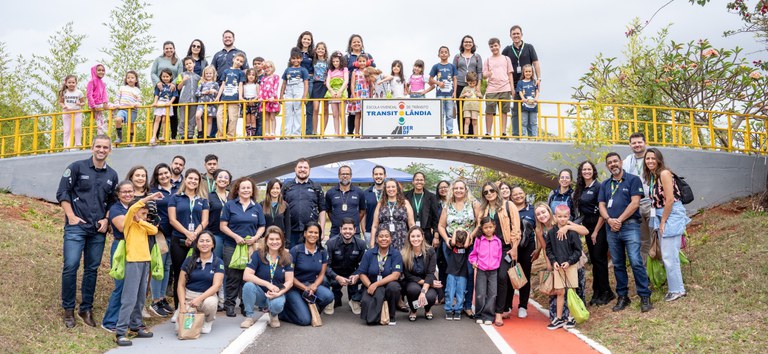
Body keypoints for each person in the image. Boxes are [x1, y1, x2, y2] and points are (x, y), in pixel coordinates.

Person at [57, 135, 118, 328]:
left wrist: (106, 219)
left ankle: (86, 308)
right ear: (92, 147)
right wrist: (71, 216)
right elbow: (62, 193)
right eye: (98, 146)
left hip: (97, 230)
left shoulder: (112, 175)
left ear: (110, 150)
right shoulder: (76, 167)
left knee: (91, 269)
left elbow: (112, 201)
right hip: (76, 228)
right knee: (71, 266)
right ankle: (68, 309)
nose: (101, 150)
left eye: (105, 147)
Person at [599, 152, 653, 313]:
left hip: (629, 226)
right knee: (618, 264)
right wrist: (609, 220)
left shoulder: (632, 180)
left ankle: (644, 296)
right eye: (610, 162)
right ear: (607, 166)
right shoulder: (605, 184)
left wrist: (619, 220)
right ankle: (623, 296)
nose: (613, 164)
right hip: (611, 228)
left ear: (621, 162)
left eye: (615, 161)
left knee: (636, 261)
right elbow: (601, 205)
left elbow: (635, 203)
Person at [114, 192, 164, 346]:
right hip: (133, 262)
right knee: (129, 298)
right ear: (135, 211)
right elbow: (132, 209)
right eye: (143, 212)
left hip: (145, 263)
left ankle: (135, 325)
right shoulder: (128, 224)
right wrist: (147, 199)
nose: (146, 215)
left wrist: (141, 221)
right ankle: (121, 332)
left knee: (141, 297)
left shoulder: (143, 225)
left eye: (146, 213)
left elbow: (154, 231)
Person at [643, 148, 690, 302]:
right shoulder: (652, 176)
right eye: (647, 158)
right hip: (660, 213)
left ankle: (677, 290)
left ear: (659, 159)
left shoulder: (664, 173)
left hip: (670, 215)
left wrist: (663, 220)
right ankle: (675, 288)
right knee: (667, 254)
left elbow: (669, 200)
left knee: (670, 255)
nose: (650, 161)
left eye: (653, 158)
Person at [534, 202, 586, 327]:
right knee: (560, 291)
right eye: (538, 214)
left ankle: (572, 316)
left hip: (572, 263)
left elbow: (580, 243)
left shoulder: (568, 227)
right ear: (556, 217)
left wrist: (568, 227)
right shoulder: (546, 231)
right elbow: (547, 249)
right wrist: (552, 262)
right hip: (557, 264)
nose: (542, 215)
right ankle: (558, 317)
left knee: (573, 291)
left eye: (544, 212)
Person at [220, 177, 266, 317]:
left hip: (250, 247)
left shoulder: (257, 206)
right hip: (232, 245)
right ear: (238, 190)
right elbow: (222, 226)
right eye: (243, 188)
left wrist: (255, 238)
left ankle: (245, 305)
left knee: (247, 277)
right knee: (233, 276)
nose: (246, 190)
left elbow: (262, 226)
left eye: (249, 188)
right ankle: (230, 304)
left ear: (252, 190)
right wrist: (236, 237)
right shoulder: (230, 205)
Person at [478, 182, 521, 326]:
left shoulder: (509, 206)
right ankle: (487, 310)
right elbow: (479, 229)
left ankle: (498, 313)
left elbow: (516, 229)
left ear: (496, 191)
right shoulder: (483, 209)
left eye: (491, 190)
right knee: (490, 280)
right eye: (486, 192)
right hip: (487, 248)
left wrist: (514, 247)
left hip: (505, 248)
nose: (489, 193)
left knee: (502, 277)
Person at [438, 179, 481, 318]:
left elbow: (479, 224)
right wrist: (447, 240)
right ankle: (453, 303)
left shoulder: (473, 204)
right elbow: (441, 226)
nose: (458, 190)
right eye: (456, 188)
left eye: (461, 188)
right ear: (452, 190)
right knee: (452, 274)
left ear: (466, 189)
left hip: (469, 245)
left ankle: (467, 305)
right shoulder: (447, 205)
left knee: (468, 273)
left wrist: (471, 237)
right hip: (451, 246)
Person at [573, 160, 614, 306]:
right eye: (584, 169)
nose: (586, 172)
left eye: (589, 169)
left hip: (598, 227)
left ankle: (607, 292)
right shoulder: (581, 188)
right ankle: (597, 291)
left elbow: (603, 212)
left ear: (593, 171)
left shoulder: (599, 186)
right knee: (595, 261)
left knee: (600, 260)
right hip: (587, 228)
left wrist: (596, 231)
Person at [168, 169, 210, 308]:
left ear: (199, 183)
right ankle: (178, 307)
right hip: (178, 240)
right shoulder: (175, 197)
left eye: (195, 179)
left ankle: (195, 305)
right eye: (190, 178)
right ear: (185, 180)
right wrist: (187, 233)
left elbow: (205, 221)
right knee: (179, 273)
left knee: (195, 272)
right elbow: (172, 220)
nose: (192, 181)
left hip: (196, 242)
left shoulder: (203, 200)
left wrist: (194, 235)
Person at [240, 226, 293, 329]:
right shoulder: (258, 254)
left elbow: (289, 281)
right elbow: (246, 275)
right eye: (271, 239)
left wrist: (279, 292)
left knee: (277, 305)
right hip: (260, 293)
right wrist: (267, 284)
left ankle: (273, 315)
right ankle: (249, 317)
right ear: (266, 240)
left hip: (277, 293)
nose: (274, 242)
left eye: (277, 239)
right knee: (248, 286)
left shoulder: (287, 257)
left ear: (282, 241)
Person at [282, 222, 334, 325]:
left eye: (316, 233)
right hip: (294, 288)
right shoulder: (295, 251)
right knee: (305, 320)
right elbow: (289, 276)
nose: (313, 235)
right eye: (310, 232)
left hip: (311, 286)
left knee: (328, 296)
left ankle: (305, 307)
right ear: (305, 234)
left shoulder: (322, 252)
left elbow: (321, 274)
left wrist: (314, 286)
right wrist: (305, 288)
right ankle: (282, 313)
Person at [101, 181, 135, 332]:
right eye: (124, 192)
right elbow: (122, 227)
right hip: (120, 246)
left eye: (130, 191)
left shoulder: (135, 207)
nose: (127, 194)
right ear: (118, 194)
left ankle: (124, 320)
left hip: (135, 247)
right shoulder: (115, 208)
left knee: (130, 287)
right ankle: (109, 321)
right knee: (120, 286)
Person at [176, 231, 224, 335]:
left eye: (208, 241)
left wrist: (199, 299)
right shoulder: (189, 260)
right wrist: (183, 306)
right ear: (197, 244)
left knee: (210, 304)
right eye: (201, 241)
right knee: (181, 330)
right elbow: (181, 285)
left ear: (213, 244)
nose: (204, 243)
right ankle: (182, 311)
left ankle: (208, 320)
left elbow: (217, 286)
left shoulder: (218, 262)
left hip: (207, 296)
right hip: (189, 296)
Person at [356, 228, 403, 325]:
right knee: (366, 303)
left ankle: (391, 315)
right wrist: (370, 285)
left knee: (394, 287)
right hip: (371, 285)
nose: (384, 239)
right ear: (377, 239)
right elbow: (362, 273)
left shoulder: (396, 254)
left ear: (391, 239)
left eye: (386, 236)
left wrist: (376, 284)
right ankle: (378, 314)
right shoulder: (369, 253)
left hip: (387, 286)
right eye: (381, 236)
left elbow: (395, 275)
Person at [502, 25, 541, 137]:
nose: (516, 36)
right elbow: (501, 64)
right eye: (514, 34)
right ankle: (516, 134)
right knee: (515, 111)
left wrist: (538, 79)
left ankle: (531, 136)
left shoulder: (529, 47)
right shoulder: (507, 50)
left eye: (518, 33)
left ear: (521, 35)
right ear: (510, 36)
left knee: (530, 110)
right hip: (514, 84)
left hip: (529, 84)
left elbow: (536, 63)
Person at [148, 163, 176, 317]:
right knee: (158, 266)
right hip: (160, 233)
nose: (164, 176)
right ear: (156, 176)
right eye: (160, 174)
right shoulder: (153, 191)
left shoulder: (177, 190)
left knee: (167, 267)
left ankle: (162, 298)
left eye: (166, 173)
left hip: (175, 233)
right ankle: (155, 300)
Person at [509, 185, 540, 318]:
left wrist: (538, 249)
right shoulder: (508, 209)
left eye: (520, 193)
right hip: (511, 247)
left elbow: (538, 230)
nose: (518, 196)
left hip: (528, 247)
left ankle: (522, 306)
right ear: (511, 196)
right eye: (515, 194)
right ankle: (508, 305)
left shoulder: (532, 210)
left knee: (524, 275)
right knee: (510, 274)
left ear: (525, 194)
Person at [622, 132, 654, 263]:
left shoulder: (652, 158)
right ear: (630, 145)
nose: (637, 145)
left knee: (656, 237)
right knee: (643, 240)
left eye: (639, 142)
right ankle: (646, 273)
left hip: (652, 204)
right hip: (635, 205)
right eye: (634, 143)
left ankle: (661, 269)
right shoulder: (627, 161)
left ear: (645, 143)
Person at [325, 218, 367, 315]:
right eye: (345, 229)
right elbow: (325, 266)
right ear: (340, 229)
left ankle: (354, 299)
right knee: (323, 278)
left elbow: (364, 265)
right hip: (335, 275)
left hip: (353, 275)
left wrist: (357, 275)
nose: (347, 231)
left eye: (350, 229)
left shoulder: (361, 244)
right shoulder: (331, 243)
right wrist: (337, 277)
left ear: (355, 230)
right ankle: (331, 299)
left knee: (370, 275)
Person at [282, 158, 326, 248]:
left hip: (310, 232)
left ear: (309, 170)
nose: (302, 169)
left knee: (309, 258)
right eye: (300, 167)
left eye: (305, 167)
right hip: (290, 232)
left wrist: (321, 230)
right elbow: (280, 209)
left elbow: (322, 210)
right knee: (290, 259)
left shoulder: (316, 187)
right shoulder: (286, 187)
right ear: (295, 169)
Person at [469, 217, 502, 326]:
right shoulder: (479, 240)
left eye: (490, 227)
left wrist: (496, 265)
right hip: (481, 270)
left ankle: (488, 315)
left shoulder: (497, 241)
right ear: (482, 229)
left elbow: (499, 256)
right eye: (486, 228)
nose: (488, 230)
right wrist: (474, 262)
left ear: (494, 227)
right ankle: (479, 314)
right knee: (480, 293)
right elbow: (473, 254)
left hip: (493, 271)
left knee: (492, 294)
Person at [400, 227, 438, 321]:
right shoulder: (404, 253)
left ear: (422, 237)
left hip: (428, 279)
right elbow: (408, 275)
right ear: (409, 238)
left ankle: (427, 309)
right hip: (412, 280)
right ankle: (413, 310)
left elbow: (430, 273)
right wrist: (427, 284)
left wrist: (423, 291)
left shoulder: (430, 251)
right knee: (413, 290)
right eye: (412, 236)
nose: (415, 239)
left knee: (430, 296)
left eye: (418, 236)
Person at [207, 169, 231, 310]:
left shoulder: (232, 197)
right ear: (216, 179)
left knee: (228, 268)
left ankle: (226, 298)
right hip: (215, 235)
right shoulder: (210, 196)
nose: (223, 179)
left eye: (226, 177)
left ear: (229, 181)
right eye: (220, 177)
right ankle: (216, 297)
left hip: (229, 235)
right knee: (217, 267)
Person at [370, 178, 416, 250]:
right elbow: (375, 226)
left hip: (401, 238)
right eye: (388, 187)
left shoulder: (405, 203)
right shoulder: (380, 203)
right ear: (385, 189)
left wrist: (414, 239)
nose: (391, 189)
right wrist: (372, 243)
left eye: (393, 187)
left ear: (397, 188)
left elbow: (411, 224)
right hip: (383, 238)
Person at [150, 41, 183, 140]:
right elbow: (153, 73)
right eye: (166, 48)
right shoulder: (158, 60)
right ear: (164, 49)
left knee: (173, 114)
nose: (169, 50)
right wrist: (157, 82)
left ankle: (173, 136)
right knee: (158, 114)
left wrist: (173, 83)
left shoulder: (178, 61)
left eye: (170, 48)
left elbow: (180, 74)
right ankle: (154, 136)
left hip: (172, 90)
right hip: (160, 90)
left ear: (174, 49)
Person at [483, 38, 514, 137]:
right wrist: (487, 74)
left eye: (495, 46)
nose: (494, 48)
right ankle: (488, 132)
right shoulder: (488, 60)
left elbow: (510, 74)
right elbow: (484, 75)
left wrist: (512, 89)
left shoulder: (506, 58)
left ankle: (503, 132)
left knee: (504, 111)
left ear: (499, 46)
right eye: (491, 46)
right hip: (491, 89)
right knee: (489, 111)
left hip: (505, 88)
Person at [344, 34, 375, 135]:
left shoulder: (368, 55)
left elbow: (373, 73)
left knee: (365, 114)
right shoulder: (347, 57)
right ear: (351, 44)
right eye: (354, 42)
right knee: (353, 113)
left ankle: (366, 133)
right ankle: (352, 132)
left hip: (366, 91)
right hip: (354, 90)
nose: (356, 43)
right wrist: (353, 93)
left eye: (358, 41)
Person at [325, 165, 366, 239]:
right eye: (342, 174)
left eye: (347, 174)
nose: (345, 176)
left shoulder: (359, 192)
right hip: (335, 232)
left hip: (354, 233)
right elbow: (329, 211)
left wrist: (354, 222)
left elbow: (362, 211)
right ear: (339, 176)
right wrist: (336, 221)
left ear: (351, 176)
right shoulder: (330, 192)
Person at [453, 35, 484, 134]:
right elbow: (454, 72)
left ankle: (472, 134)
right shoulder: (458, 56)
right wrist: (454, 89)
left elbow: (479, 72)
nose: (468, 43)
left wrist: (478, 86)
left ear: (473, 43)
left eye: (470, 42)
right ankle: (462, 133)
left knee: (472, 108)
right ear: (462, 43)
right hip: (460, 85)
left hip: (472, 86)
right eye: (466, 42)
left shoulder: (477, 57)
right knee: (461, 110)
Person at [215, 52, 246, 140]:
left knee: (233, 118)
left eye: (241, 61)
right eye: (237, 60)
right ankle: (221, 135)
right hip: (224, 98)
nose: (238, 62)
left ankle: (230, 136)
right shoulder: (226, 71)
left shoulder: (240, 73)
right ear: (233, 59)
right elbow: (223, 84)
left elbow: (240, 85)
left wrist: (240, 96)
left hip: (234, 98)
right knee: (219, 115)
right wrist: (218, 97)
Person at [404, 172, 440, 246]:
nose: (419, 182)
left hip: (426, 232)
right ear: (413, 181)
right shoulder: (405, 195)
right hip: (408, 231)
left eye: (421, 180)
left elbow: (436, 218)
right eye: (417, 180)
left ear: (424, 181)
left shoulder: (432, 197)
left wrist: (436, 237)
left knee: (425, 254)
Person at [281, 48, 310, 137]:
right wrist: (281, 95)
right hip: (289, 91)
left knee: (298, 111)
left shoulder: (303, 70)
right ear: (290, 59)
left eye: (297, 58)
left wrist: (305, 95)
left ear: (301, 59)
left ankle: (296, 133)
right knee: (287, 111)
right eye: (293, 58)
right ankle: (286, 133)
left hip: (299, 90)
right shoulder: (287, 70)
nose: (295, 60)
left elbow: (306, 83)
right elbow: (284, 83)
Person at [429, 46, 458, 135]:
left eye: (445, 52)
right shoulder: (436, 66)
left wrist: (455, 92)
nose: (444, 54)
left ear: (448, 54)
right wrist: (438, 83)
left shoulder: (452, 66)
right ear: (439, 54)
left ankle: (449, 132)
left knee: (449, 113)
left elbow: (455, 79)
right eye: (442, 52)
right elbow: (430, 79)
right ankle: (440, 132)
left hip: (449, 93)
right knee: (440, 113)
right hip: (440, 94)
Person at [443, 228, 469, 321]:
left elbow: (466, 244)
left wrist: (467, 233)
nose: (459, 245)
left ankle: (458, 310)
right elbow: (453, 242)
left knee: (460, 292)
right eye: (458, 242)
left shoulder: (466, 247)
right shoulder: (452, 247)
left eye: (461, 243)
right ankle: (448, 309)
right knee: (449, 291)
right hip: (451, 272)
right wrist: (455, 231)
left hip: (462, 273)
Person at [150, 69, 178, 145]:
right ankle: (153, 136)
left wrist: (170, 102)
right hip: (160, 103)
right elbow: (156, 94)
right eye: (163, 76)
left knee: (164, 119)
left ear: (170, 77)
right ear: (161, 77)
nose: (165, 78)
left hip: (167, 104)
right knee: (157, 119)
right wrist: (155, 102)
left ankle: (163, 135)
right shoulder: (159, 85)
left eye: (167, 76)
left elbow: (174, 96)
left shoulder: (173, 86)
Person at [324, 51, 348, 136]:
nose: (335, 63)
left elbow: (346, 81)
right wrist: (331, 91)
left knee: (342, 113)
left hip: (341, 91)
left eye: (337, 61)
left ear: (341, 61)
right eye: (333, 61)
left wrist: (340, 91)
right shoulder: (330, 70)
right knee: (335, 114)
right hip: (333, 92)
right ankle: (336, 132)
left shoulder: (344, 69)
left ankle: (343, 131)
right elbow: (327, 82)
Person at [177, 57, 201, 140]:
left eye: (190, 63)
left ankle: (190, 134)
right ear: (185, 66)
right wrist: (183, 80)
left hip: (194, 100)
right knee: (183, 118)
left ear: (194, 64)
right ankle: (182, 134)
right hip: (184, 101)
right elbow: (179, 87)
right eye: (186, 64)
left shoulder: (198, 77)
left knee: (192, 119)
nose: (189, 65)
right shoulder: (182, 75)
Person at [114, 71, 141, 145]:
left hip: (132, 110)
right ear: (126, 80)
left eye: (132, 78)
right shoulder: (122, 88)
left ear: (136, 80)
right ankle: (119, 137)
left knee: (130, 125)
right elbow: (117, 97)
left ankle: (130, 141)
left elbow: (139, 101)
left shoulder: (137, 90)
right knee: (118, 119)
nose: (130, 79)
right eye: (128, 78)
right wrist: (117, 104)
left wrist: (136, 104)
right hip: (122, 109)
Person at [296, 31, 316, 135]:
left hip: (310, 80)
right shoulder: (296, 52)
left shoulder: (313, 54)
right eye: (304, 39)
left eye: (308, 39)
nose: (306, 41)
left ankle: (308, 132)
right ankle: (296, 132)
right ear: (301, 39)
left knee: (309, 108)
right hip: (297, 81)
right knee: (296, 107)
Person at [347, 54, 371, 137]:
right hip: (357, 94)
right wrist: (353, 95)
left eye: (363, 61)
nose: (362, 63)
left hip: (365, 95)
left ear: (367, 62)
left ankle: (365, 133)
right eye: (360, 61)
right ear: (357, 62)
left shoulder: (368, 71)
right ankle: (356, 133)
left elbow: (371, 84)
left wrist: (370, 96)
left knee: (365, 115)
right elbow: (352, 84)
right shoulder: (355, 72)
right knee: (357, 115)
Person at [363, 165, 387, 245]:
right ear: (373, 176)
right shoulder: (365, 193)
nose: (378, 176)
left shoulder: (390, 192)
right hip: (370, 232)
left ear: (385, 176)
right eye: (376, 174)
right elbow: (363, 214)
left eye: (381, 174)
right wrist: (364, 232)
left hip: (388, 233)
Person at [59, 75, 85, 149]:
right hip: (67, 112)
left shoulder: (79, 92)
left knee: (77, 128)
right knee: (67, 130)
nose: (71, 84)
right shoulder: (64, 92)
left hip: (77, 112)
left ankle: (78, 144)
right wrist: (63, 106)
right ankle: (66, 145)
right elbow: (61, 102)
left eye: (73, 82)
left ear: (76, 83)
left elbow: (83, 102)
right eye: (69, 82)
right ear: (66, 83)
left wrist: (80, 104)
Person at [434, 180, 451, 292]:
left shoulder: (454, 203)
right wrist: (435, 235)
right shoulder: (436, 203)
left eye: (446, 187)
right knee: (440, 265)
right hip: (439, 238)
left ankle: (450, 293)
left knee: (450, 266)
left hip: (451, 238)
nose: (443, 189)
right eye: (441, 188)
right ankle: (440, 294)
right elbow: (435, 220)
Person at [195, 66, 220, 140]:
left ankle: (208, 136)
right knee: (198, 116)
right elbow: (197, 93)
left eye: (210, 73)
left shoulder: (215, 84)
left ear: (213, 74)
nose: (208, 75)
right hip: (202, 103)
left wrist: (214, 92)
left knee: (209, 120)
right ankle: (200, 132)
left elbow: (217, 95)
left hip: (210, 104)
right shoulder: (202, 83)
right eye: (207, 73)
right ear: (204, 74)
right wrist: (204, 92)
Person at [86, 64, 110, 136]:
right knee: (99, 121)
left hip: (101, 104)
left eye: (103, 70)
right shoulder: (91, 82)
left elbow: (104, 94)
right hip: (95, 105)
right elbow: (89, 95)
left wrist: (105, 102)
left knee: (115, 107)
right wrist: (93, 106)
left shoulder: (102, 83)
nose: (101, 72)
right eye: (99, 70)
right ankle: (101, 135)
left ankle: (103, 128)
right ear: (94, 71)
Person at [516, 64, 539, 137]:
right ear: (523, 72)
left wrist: (536, 98)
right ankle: (523, 135)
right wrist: (523, 98)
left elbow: (537, 91)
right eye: (526, 71)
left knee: (533, 121)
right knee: (524, 121)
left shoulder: (534, 81)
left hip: (533, 105)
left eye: (529, 71)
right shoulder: (520, 82)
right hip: (525, 105)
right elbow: (520, 91)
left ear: (532, 72)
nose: (528, 73)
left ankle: (534, 136)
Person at [311, 42, 329, 136]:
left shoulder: (328, 62)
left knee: (325, 109)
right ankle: (314, 131)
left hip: (325, 85)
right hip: (316, 85)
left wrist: (328, 81)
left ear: (325, 50)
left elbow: (330, 73)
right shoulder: (313, 61)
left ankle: (323, 132)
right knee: (316, 108)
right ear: (316, 50)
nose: (320, 50)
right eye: (319, 48)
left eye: (322, 49)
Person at [259, 61, 281, 138]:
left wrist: (273, 96)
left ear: (272, 67)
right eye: (265, 68)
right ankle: (267, 132)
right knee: (266, 117)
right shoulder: (263, 78)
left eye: (269, 67)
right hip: (265, 100)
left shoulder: (276, 77)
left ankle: (273, 132)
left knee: (272, 117)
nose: (267, 69)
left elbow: (276, 87)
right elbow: (261, 88)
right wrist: (260, 97)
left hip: (272, 99)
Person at [459, 72, 481, 137]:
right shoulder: (465, 88)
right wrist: (465, 94)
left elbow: (481, 96)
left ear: (476, 82)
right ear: (467, 82)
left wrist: (479, 94)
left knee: (474, 121)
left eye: (473, 83)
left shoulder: (477, 88)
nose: (472, 84)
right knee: (467, 121)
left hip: (475, 107)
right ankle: (465, 134)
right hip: (467, 107)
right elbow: (460, 96)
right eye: (470, 83)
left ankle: (475, 135)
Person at [243, 69, 260, 137]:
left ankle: (252, 135)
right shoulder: (244, 85)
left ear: (255, 76)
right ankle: (247, 135)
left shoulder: (256, 85)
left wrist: (254, 100)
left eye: (253, 75)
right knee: (247, 120)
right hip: (246, 102)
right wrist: (245, 100)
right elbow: (243, 94)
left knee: (253, 120)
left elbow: (258, 94)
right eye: (249, 74)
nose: (251, 76)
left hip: (254, 102)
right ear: (246, 75)